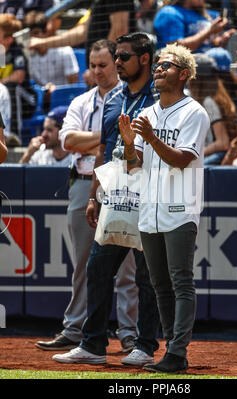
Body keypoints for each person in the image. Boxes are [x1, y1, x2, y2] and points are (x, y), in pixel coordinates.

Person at [52, 32, 160, 366]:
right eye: (116, 58)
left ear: (144, 58)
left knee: (145, 275)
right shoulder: (114, 99)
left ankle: (144, 344)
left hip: (149, 194)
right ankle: (93, 344)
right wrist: (93, 196)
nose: (117, 64)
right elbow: (103, 151)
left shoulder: (159, 100)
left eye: (123, 57)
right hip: (114, 195)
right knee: (98, 268)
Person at [35, 39, 139, 353]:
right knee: (83, 262)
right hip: (83, 183)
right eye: (92, 66)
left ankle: (128, 333)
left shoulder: (133, 100)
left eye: (103, 65)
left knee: (126, 265)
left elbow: (131, 144)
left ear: (117, 63)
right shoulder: (81, 101)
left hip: (123, 185)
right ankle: (75, 329)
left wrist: (93, 143)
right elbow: (67, 141)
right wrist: (108, 139)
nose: (97, 71)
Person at [118, 43, 210, 373]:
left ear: (183, 74)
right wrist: (130, 145)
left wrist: (153, 139)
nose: (158, 69)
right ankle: (173, 349)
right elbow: (134, 168)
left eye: (166, 65)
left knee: (180, 281)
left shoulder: (194, 112)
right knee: (159, 286)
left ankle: (177, 350)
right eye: (157, 65)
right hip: (149, 210)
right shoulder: (147, 113)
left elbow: (183, 160)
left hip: (180, 207)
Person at [28, 0, 136, 64]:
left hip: (114, 73)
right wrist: (41, 43)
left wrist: (101, 66)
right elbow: (82, 32)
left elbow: (120, 31)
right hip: (102, 72)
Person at [189, 53, 237, 165]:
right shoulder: (213, 95)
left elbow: (223, 142)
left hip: (217, 156)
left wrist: (195, 154)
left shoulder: (209, 101)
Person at [23, 10, 79, 112]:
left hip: (65, 102)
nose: (32, 38)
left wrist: (56, 92)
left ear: (46, 32)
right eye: (30, 35)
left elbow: (73, 84)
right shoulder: (26, 56)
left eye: (36, 33)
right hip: (39, 104)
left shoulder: (64, 50)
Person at [0, 14, 37, 144]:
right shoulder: (0, 51)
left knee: (11, 87)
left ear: (9, 39)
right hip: (5, 98)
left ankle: (13, 135)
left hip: (27, 100)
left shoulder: (17, 50)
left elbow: (19, 76)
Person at [153, 0, 236, 53]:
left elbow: (207, 43)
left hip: (208, 66)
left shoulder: (201, 13)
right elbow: (175, 47)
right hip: (185, 67)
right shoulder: (169, 13)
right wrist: (209, 31)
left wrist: (219, 41)